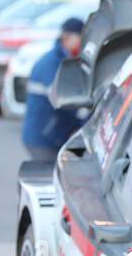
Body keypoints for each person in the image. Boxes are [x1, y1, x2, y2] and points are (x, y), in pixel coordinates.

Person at [22, 17, 86, 162]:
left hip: (51, 134)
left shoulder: (64, 60)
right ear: (67, 37)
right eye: (80, 37)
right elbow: (63, 99)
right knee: (51, 177)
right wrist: (84, 117)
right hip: (44, 137)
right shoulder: (51, 64)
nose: (82, 43)